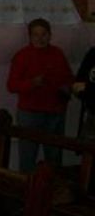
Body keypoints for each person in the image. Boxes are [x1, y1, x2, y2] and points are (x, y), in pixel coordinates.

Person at [7, 17, 75, 172]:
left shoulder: (57, 53)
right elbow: (11, 85)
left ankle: (52, 186)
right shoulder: (22, 55)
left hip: (55, 111)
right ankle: (27, 185)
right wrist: (32, 83)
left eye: (44, 34)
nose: (40, 38)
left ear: (50, 35)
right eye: (35, 34)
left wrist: (67, 88)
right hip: (30, 113)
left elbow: (69, 78)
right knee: (28, 156)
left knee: (54, 157)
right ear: (30, 36)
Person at [73, 46, 95, 142]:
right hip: (91, 113)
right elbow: (78, 82)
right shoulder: (93, 53)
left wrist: (88, 89)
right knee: (86, 147)